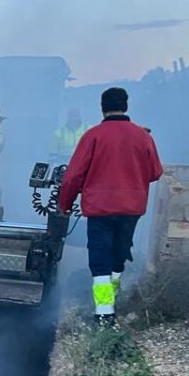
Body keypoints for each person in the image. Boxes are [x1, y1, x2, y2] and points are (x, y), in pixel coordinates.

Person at [58, 88, 163, 323]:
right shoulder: (143, 136)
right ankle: (113, 297)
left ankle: (104, 314)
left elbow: (73, 176)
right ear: (125, 106)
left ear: (102, 107)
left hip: (100, 210)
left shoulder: (93, 136)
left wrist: (65, 205)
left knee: (100, 262)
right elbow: (155, 172)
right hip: (131, 209)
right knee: (118, 256)